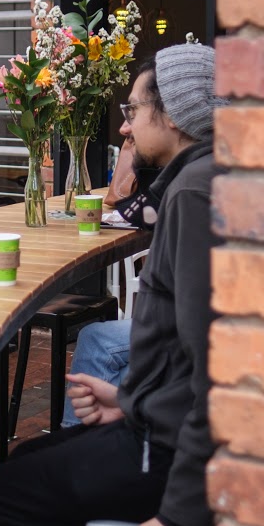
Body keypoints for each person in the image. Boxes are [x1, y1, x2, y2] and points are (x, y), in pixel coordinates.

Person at [0, 42, 225, 526]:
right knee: (30, 468)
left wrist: (183, 514)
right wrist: (129, 400)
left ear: (173, 115)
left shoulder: (194, 193)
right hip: (158, 431)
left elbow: (218, 364)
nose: (124, 128)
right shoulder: (206, 180)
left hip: (169, 455)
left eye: (132, 111)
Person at [62, 132, 162, 428]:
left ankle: (76, 440)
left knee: (96, 340)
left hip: (199, 327)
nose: (124, 128)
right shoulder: (187, 179)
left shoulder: (187, 186)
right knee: (108, 354)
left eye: (134, 112)